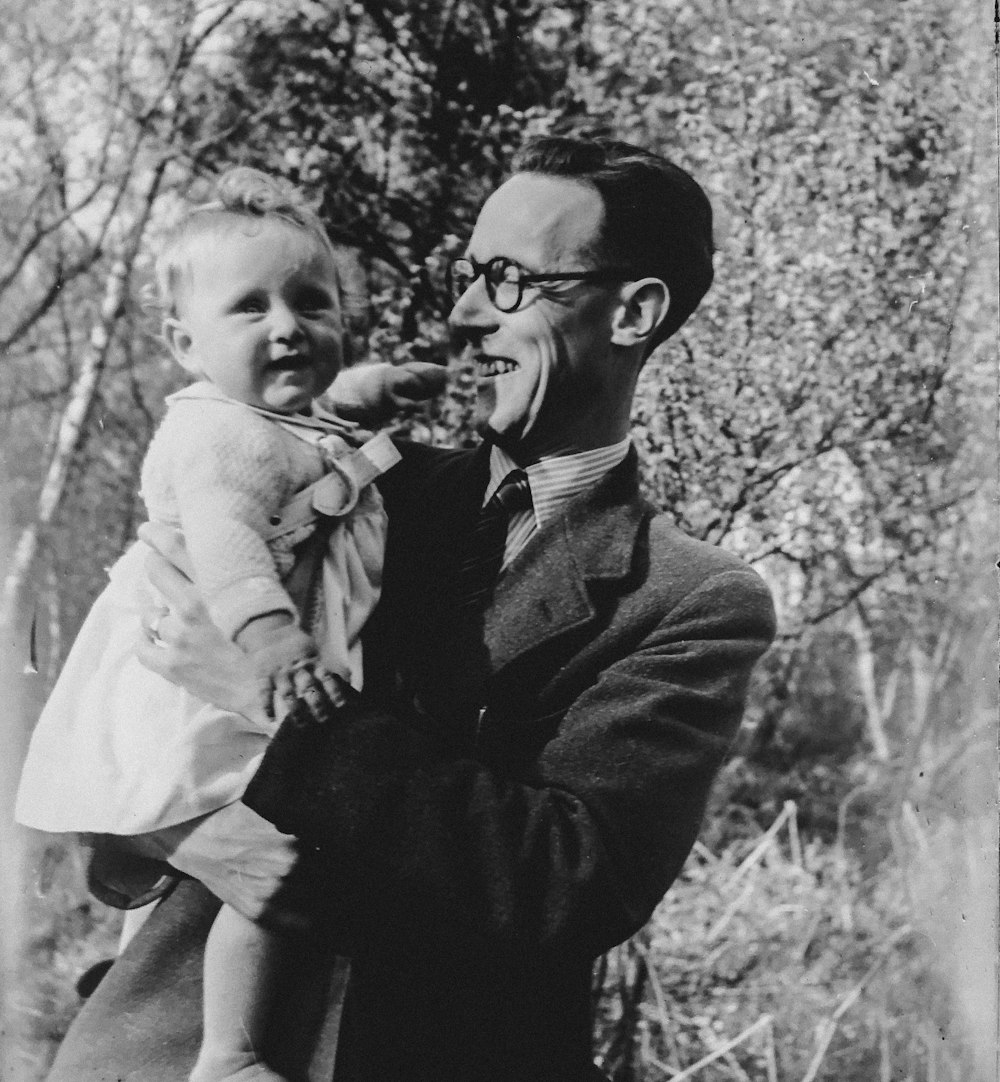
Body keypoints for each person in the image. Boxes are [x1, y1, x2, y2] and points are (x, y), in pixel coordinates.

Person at [46, 134, 777, 1082]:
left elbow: (564, 881)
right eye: (472, 275)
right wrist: (192, 837)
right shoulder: (341, 491)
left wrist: (273, 708)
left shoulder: (691, 600)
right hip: (174, 1046)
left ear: (633, 311)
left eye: (511, 281)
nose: (467, 313)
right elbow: (111, 709)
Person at [16, 167, 444, 1082]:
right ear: (184, 343)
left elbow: (331, 415)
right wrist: (274, 643)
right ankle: (229, 1052)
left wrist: (378, 389)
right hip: (203, 670)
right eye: (250, 309)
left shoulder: (278, 418)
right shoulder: (215, 439)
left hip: (221, 671)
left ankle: (149, 998)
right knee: (263, 843)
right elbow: (227, 551)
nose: (288, 326)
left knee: (212, 860)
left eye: (312, 303)